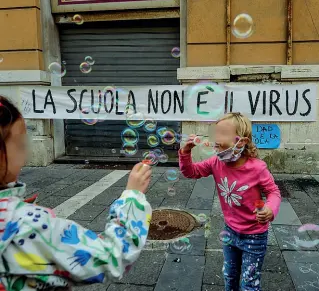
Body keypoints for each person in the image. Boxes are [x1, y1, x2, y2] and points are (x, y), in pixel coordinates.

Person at [0, 96, 152, 291]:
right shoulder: (26, 224)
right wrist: (133, 196)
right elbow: (111, 258)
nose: (26, 151)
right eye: (21, 144)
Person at [179, 112, 281, 291]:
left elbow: (273, 192)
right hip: (230, 231)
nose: (216, 139)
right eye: (215, 134)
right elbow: (191, 172)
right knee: (229, 276)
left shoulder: (257, 168)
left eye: (222, 134)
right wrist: (185, 153)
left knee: (249, 284)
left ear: (240, 142)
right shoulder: (215, 162)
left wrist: (270, 209)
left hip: (255, 236)